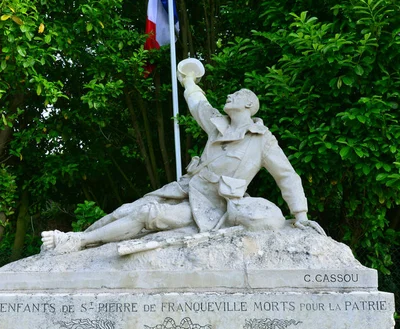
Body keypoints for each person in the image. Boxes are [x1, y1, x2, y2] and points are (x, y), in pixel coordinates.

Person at [42, 68, 324, 254]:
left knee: (147, 214)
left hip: (215, 208)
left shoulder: (262, 139)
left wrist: (300, 216)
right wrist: (188, 81)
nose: (229, 95)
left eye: (236, 95)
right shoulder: (218, 126)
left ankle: (78, 241)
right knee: (128, 208)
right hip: (187, 188)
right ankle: (76, 240)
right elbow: (199, 105)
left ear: (249, 105)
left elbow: (287, 176)